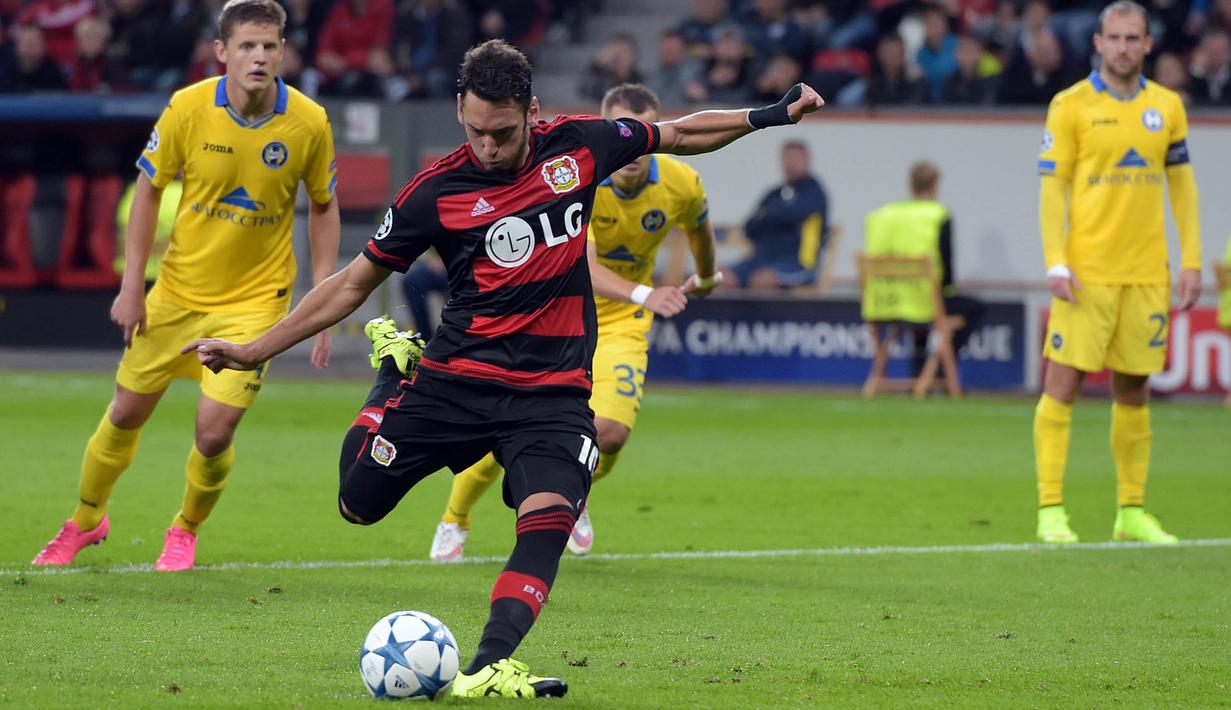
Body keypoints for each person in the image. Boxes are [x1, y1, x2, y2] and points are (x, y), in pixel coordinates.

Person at [184, 39, 822, 697]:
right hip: (455, 381)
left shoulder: (579, 147)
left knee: (551, 517)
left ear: (532, 112)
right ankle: (391, 374)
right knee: (357, 505)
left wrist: (768, 115)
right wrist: (256, 349)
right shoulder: (433, 194)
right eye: (475, 131)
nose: (487, 147)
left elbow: (680, 134)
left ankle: (486, 666)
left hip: (552, 393)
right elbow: (352, 284)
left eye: (503, 133)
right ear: (460, 110)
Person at [31, 0, 339, 572]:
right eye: (246, 46)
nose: (258, 56)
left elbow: (323, 204)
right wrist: (131, 285)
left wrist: (322, 299)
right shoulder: (188, 107)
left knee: (214, 432)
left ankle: (184, 530)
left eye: (269, 46)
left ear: (283, 52)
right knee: (125, 413)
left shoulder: (309, 121)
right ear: (221, 51)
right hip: (175, 294)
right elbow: (148, 189)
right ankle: (86, 519)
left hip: (255, 303)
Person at [428, 82, 721, 563]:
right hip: (555, 313)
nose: (634, 148)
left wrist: (706, 277)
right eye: (625, 130)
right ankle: (455, 517)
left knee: (612, 434)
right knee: (508, 430)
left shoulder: (680, 181)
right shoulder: (576, 176)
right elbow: (583, 264)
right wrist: (647, 293)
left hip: (622, 322)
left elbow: (699, 229)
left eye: (645, 131)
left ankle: (570, 492)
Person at [1034, 0, 1201, 544]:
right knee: (1062, 385)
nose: (1124, 47)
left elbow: (1182, 187)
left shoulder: (1167, 106)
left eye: (1134, 38)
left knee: (1134, 389)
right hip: (1087, 273)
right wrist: (1056, 260)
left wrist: (1191, 260)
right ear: (1098, 43)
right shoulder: (1070, 105)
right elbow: (1052, 189)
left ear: (1148, 44)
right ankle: (1050, 509)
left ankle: (1131, 511)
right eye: (1115, 38)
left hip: (1147, 273)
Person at [864, 162, 985, 377]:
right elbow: (946, 268)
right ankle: (938, 370)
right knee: (971, 307)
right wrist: (947, 288)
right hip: (921, 302)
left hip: (882, 303)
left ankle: (918, 371)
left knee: (923, 308)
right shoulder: (937, 215)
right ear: (935, 186)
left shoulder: (883, 215)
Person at [725, 140, 828, 290]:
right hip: (760, 260)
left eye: (795, 159)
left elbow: (792, 214)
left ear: (807, 160)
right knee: (720, 277)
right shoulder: (774, 194)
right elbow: (750, 227)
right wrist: (775, 216)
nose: (790, 164)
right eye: (787, 158)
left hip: (798, 264)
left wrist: (768, 216)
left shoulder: (815, 193)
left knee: (762, 281)